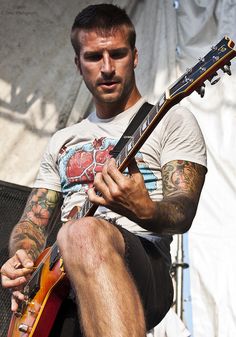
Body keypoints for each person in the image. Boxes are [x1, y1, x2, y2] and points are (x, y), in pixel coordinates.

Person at [1, 3, 207, 337]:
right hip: (59, 281)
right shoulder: (62, 141)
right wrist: (24, 259)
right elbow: (32, 222)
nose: (107, 68)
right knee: (73, 236)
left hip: (142, 262)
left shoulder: (171, 120)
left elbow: (183, 210)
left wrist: (146, 209)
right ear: (78, 64)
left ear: (135, 57)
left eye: (118, 54)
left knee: (81, 232)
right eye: (95, 57)